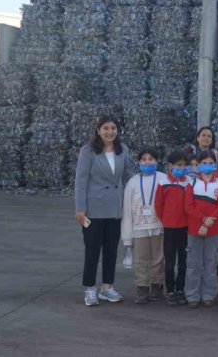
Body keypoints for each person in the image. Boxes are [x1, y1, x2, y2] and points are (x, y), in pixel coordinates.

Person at [74, 115, 135, 306]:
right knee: (92, 250)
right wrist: (80, 208)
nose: (110, 132)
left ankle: (107, 287)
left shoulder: (122, 150)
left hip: (115, 208)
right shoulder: (88, 151)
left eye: (113, 128)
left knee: (111, 251)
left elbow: (126, 175)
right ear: (98, 130)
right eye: (106, 128)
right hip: (93, 209)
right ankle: (90, 288)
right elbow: (81, 180)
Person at [121, 149, 167, 305]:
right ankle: (142, 287)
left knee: (158, 258)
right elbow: (127, 211)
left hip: (159, 226)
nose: (148, 162)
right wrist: (127, 238)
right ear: (139, 162)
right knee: (141, 259)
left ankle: (157, 286)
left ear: (157, 161)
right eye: (144, 159)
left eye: (151, 159)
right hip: (138, 228)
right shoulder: (132, 182)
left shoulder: (163, 179)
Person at [184, 151, 218, 308]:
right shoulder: (193, 183)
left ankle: (209, 294)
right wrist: (203, 220)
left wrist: (208, 222)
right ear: (199, 164)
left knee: (211, 263)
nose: (207, 166)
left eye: (211, 163)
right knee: (193, 264)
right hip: (195, 229)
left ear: (215, 164)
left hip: (214, 229)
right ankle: (192, 294)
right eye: (204, 163)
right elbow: (188, 206)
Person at [155, 150, 191, 306]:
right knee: (170, 262)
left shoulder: (189, 182)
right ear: (170, 166)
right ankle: (170, 290)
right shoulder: (163, 183)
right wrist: (166, 220)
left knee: (183, 262)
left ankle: (180, 289)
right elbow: (158, 206)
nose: (181, 168)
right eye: (178, 165)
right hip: (169, 228)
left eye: (184, 165)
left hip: (185, 228)